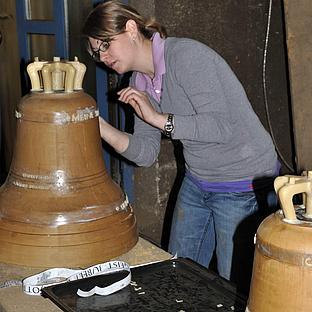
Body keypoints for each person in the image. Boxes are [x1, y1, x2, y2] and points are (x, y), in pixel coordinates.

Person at [82, 0, 279, 290]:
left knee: (233, 289)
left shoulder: (186, 57)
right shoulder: (139, 81)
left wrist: (158, 118)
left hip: (243, 183)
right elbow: (146, 153)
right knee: (177, 277)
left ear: (131, 29)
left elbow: (221, 127)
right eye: (96, 52)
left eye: (106, 45)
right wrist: (96, 124)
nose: (103, 57)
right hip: (200, 180)